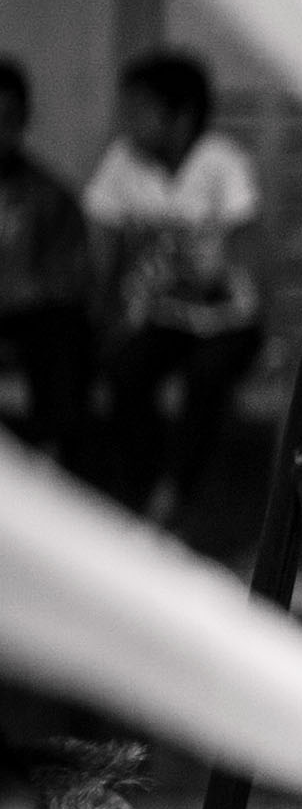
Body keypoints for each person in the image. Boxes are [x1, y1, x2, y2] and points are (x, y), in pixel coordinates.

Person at [81, 52, 264, 549]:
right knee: (124, 373)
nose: (128, 123)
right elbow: (102, 236)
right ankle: (144, 495)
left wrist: (205, 262)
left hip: (229, 320)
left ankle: (174, 496)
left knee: (205, 381)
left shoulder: (221, 163)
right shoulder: (124, 162)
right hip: (166, 319)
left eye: (140, 111)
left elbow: (240, 261)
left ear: (180, 118)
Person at [0, 60, 93, 465]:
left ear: (23, 120)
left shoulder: (50, 195)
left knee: (62, 335)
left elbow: (67, 280)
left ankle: (54, 465)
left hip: (31, 317)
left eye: (6, 118)